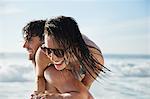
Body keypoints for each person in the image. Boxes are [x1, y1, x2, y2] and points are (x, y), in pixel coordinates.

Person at [22, 18, 105, 98]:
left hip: (79, 68)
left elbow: (85, 87)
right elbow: (39, 77)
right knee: (49, 73)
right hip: (60, 72)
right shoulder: (43, 53)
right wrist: (39, 95)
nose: (52, 57)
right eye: (48, 50)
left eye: (58, 52)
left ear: (74, 47)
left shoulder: (94, 57)